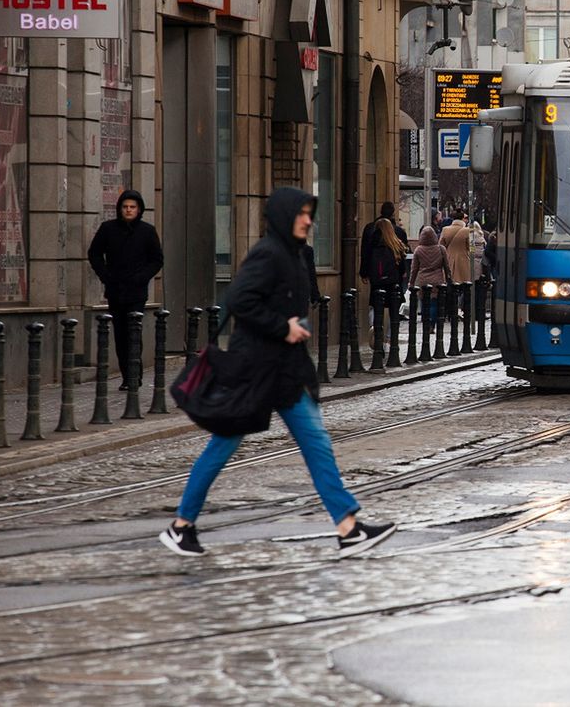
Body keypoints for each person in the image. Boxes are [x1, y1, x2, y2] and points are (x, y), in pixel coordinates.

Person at [159, 187, 395, 559]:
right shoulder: (268, 254)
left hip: (285, 374)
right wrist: (282, 327)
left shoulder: (296, 254)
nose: (308, 219)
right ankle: (181, 525)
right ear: (285, 216)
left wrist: (294, 333)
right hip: (255, 371)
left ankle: (348, 528)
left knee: (318, 445)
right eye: (301, 213)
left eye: (309, 212)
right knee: (222, 446)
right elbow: (239, 300)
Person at [87, 189, 164, 391]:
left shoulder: (147, 231)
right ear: (120, 209)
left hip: (137, 292)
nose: (128, 210)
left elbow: (157, 260)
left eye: (132, 207)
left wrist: (142, 277)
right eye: (125, 207)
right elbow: (94, 254)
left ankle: (134, 376)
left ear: (139, 210)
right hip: (115, 290)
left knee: (134, 334)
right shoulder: (108, 229)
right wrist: (105, 276)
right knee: (120, 335)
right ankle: (126, 376)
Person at [367, 217, 408, 334]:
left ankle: (374, 331)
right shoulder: (396, 244)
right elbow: (402, 267)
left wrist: (367, 274)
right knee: (393, 309)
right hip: (393, 281)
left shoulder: (373, 243)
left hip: (377, 280)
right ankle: (390, 337)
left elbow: (367, 259)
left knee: (374, 305)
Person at [410, 225, 452, 323]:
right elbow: (446, 266)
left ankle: (425, 323)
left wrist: (411, 282)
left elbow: (414, 269)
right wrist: (449, 278)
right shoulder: (441, 249)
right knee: (434, 303)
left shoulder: (418, 250)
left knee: (424, 303)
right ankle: (432, 324)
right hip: (437, 279)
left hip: (422, 279)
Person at [440, 215, 473, 288]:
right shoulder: (469, 230)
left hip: (448, 261)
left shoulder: (445, 230)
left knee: (450, 285)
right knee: (464, 287)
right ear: (462, 219)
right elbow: (471, 248)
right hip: (464, 261)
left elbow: (441, 246)